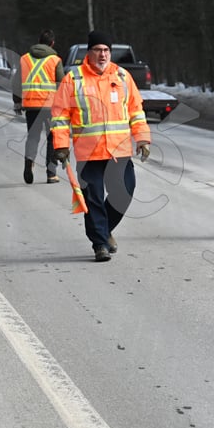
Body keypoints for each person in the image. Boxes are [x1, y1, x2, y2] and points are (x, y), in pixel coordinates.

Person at [51, 30, 151, 262]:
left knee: (123, 193)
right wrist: (61, 145)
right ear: (89, 53)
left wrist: (143, 138)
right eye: (98, 50)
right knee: (93, 198)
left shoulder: (123, 77)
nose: (103, 54)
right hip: (89, 152)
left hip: (119, 150)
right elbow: (60, 116)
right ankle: (100, 244)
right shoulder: (73, 79)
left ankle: (104, 231)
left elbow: (136, 111)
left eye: (106, 50)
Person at [18, 30, 62, 184]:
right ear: (52, 43)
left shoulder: (24, 59)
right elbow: (61, 84)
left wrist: (17, 102)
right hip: (50, 107)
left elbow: (16, 82)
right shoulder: (55, 60)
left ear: (39, 41)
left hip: (31, 105)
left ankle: (28, 163)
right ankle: (51, 173)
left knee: (33, 137)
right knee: (52, 138)